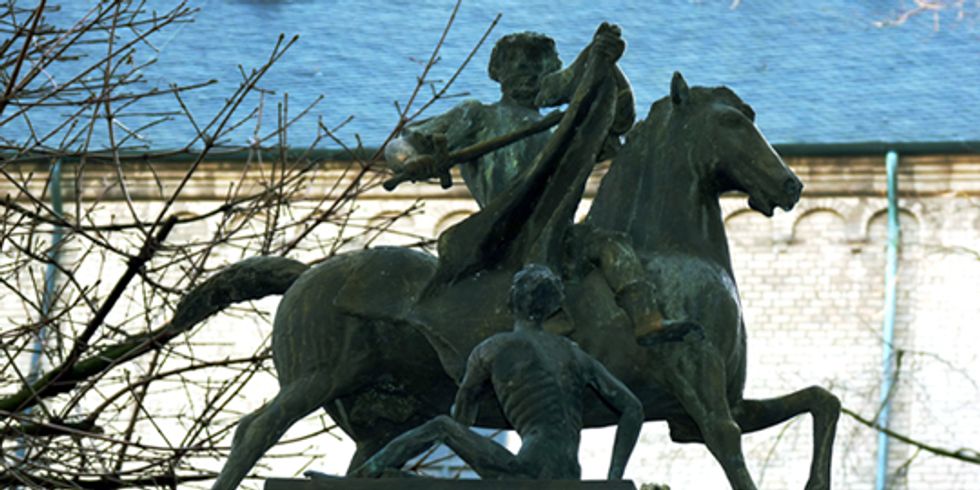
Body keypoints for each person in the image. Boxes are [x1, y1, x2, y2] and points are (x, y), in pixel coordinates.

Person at [388, 26, 663, 337]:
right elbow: (401, 146)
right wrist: (412, 160)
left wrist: (605, 63)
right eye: (518, 65)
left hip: (557, 234)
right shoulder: (477, 116)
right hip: (504, 234)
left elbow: (616, 122)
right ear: (499, 72)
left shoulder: (562, 132)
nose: (528, 73)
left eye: (538, 67)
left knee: (614, 245)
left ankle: (648, 322)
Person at [352, 264, 644, 480]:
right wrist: (614, 476)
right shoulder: (574, 353)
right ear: (553, 307)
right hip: (569, 470)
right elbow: (632, 408)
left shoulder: (493, 348)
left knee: (441, 426)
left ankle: (365, 476)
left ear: (511, 302)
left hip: (529, 466)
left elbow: (461, 420)